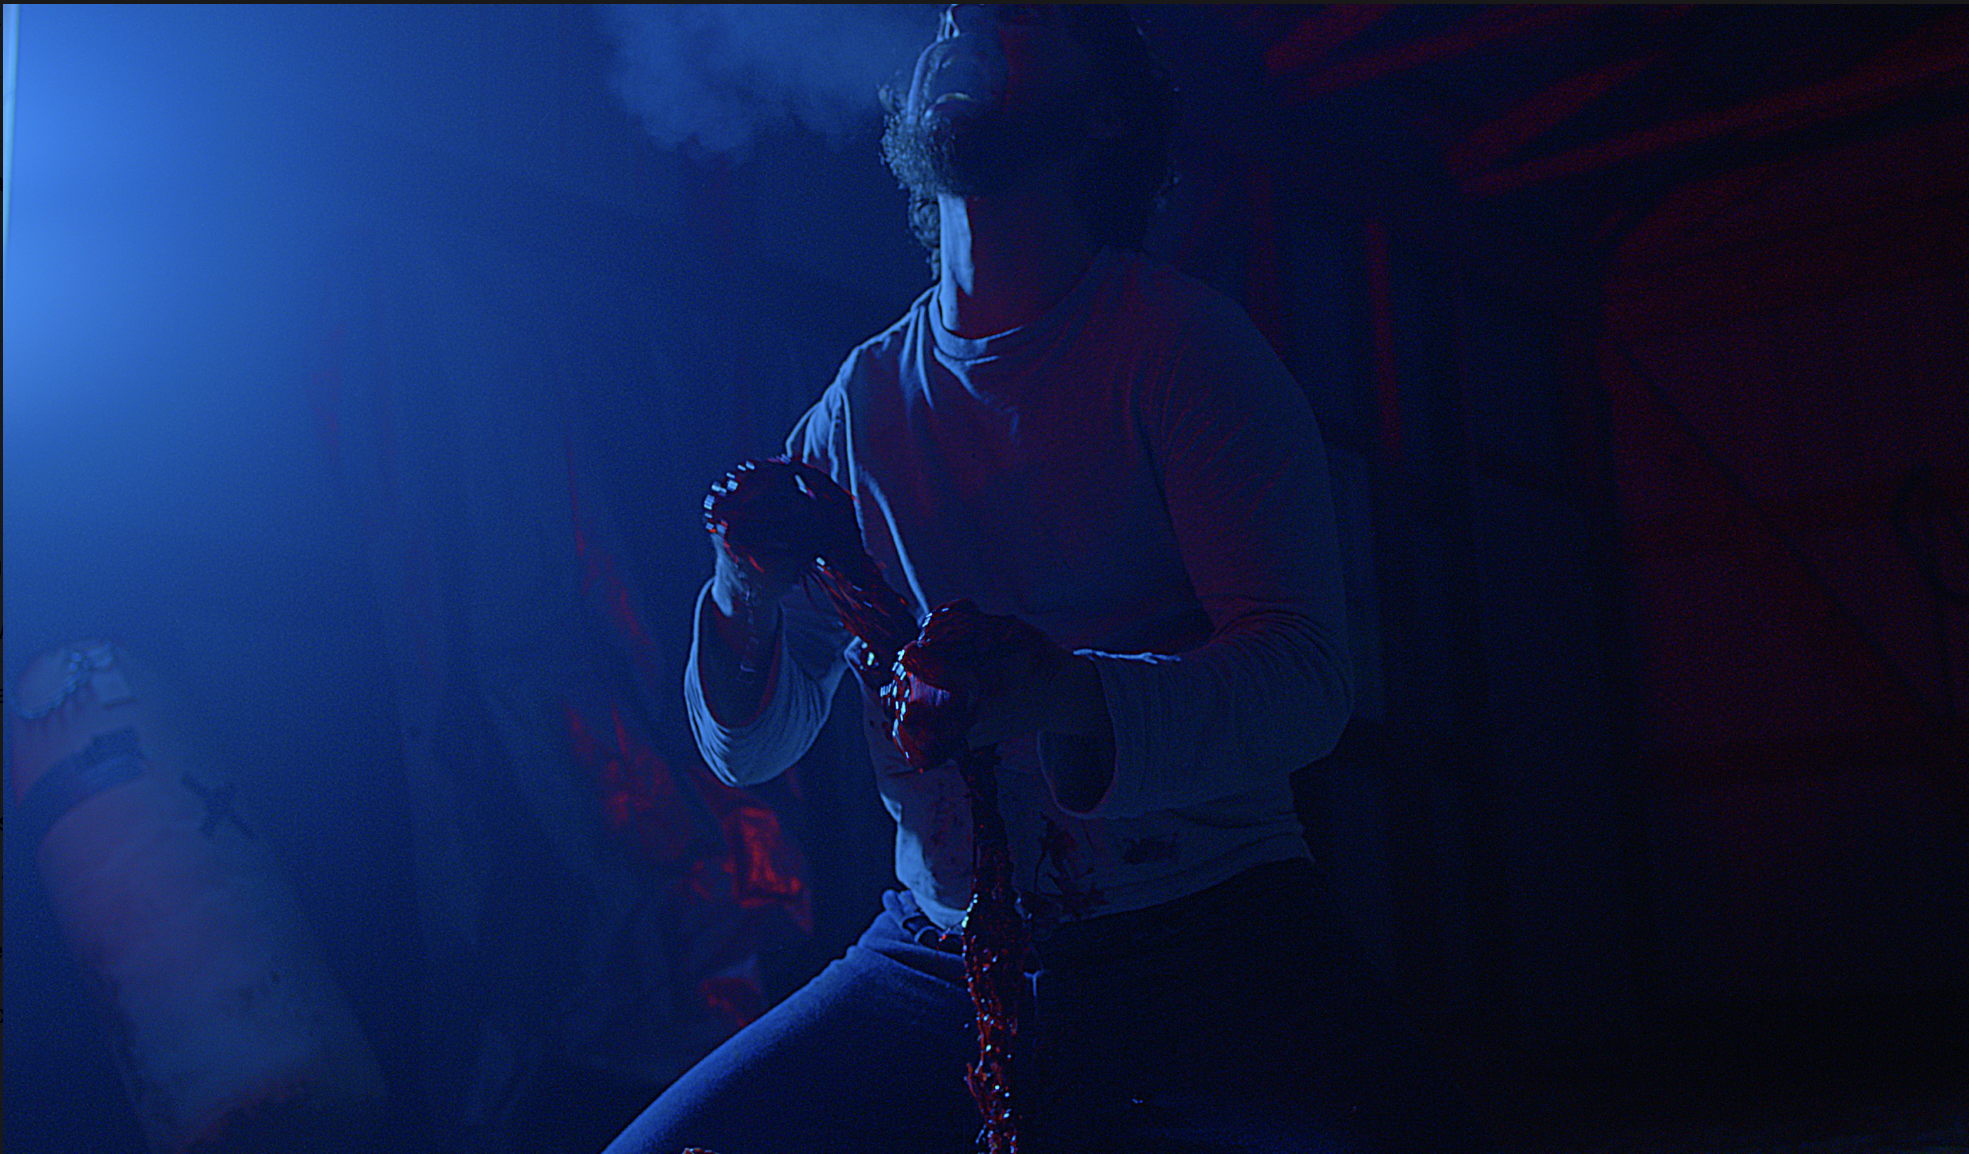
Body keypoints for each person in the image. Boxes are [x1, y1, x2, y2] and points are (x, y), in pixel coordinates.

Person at [603, 6, 1493, 1152]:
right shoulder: (857, 412)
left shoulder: (1182, 351)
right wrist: (740, 593)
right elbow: (751, 749)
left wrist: (1062, 694)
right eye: (948, 20)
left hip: (1212, 932)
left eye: (1012, 17)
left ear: (1108, 110)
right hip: (939, 952)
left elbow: (1310, 676)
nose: (961, 29)